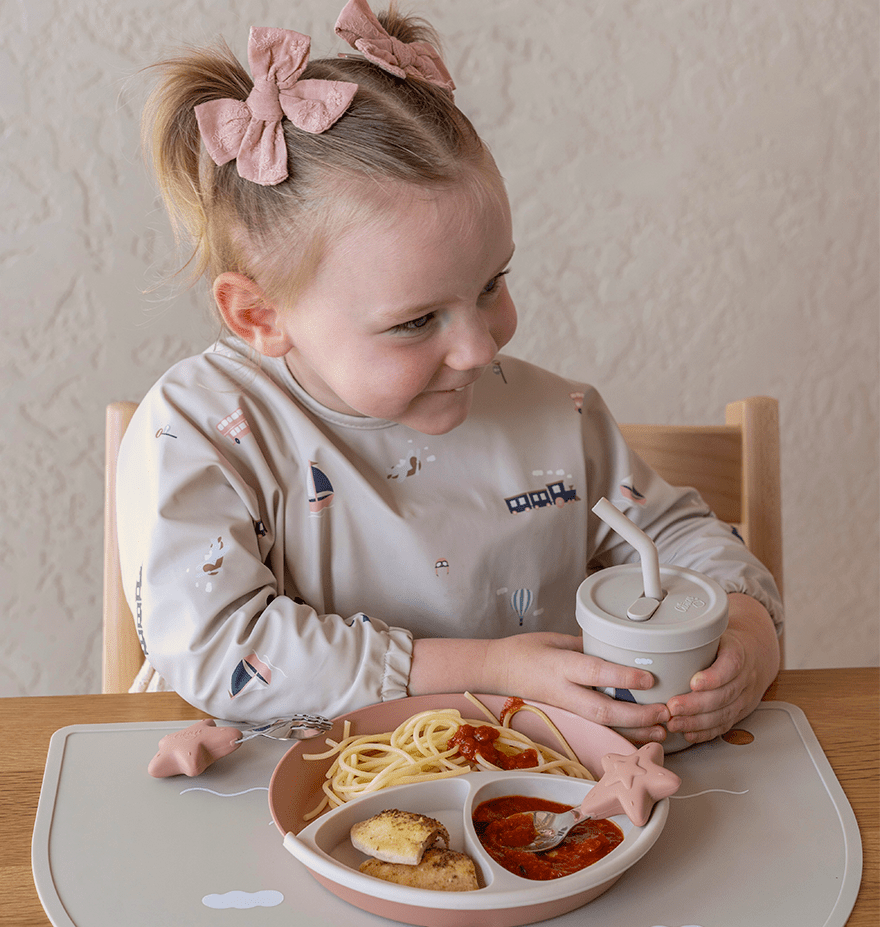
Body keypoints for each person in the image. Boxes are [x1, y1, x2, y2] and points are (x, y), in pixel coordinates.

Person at [118, 1, 782, 746]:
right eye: (414, 321)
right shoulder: (203, 428)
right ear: (260, 317)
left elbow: (678, 536)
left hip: (534, 794)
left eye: (491, 285)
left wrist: (750, 628)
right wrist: (490, 668)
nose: (479, 350)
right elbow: (220, 650)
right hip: (277, 810)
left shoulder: (559, 417)